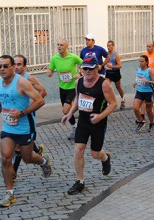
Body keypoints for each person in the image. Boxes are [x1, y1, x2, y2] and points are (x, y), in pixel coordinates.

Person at [0, 55, 52, 207]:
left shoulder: (22, 82)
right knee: (6, 159)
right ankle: (9, 194)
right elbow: (5, 97)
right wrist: (0, 107)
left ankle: (43, 161)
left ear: (13, 67)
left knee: (27, 158)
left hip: (25, 127)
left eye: (5, 66)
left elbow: (40, 100)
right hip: (8, 127)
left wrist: (21, 113)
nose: (2, 69)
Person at [61, 55, 117, 195]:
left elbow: (113, 104)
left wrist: (100, 116)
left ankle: (105, 158)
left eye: (90, 68)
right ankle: (80, 181)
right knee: (78, 150)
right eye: (84, 68)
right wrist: (70, 114)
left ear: (97, 68)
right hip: (83, 121)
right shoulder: (79, 82)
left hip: (98, 122)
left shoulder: (104, 84)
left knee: (95, 154)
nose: (87, 71)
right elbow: (78, 98)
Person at [12, 54, 47, 180]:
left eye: (19, 64)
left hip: (26, 117)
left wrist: (31, 105)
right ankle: (37, 150)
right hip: (14, 117)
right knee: (20, 142)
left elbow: (43, 91)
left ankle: (13, 173)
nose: (16, 67)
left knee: (18, 146)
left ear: (25, 66)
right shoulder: (11, 79)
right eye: (14, 64)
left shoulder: (29, 78)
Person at [47, 38, 83, 140]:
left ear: (67, 46)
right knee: (66, 112)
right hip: (62, 88)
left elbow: (84, 64)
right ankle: (75, 128)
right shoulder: (54, 58)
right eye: (58, 44)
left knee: (66, 109)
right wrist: (49, 72)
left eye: (61, 45)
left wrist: (79, 73)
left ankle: (79, 122)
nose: (59, 47)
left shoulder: (73, 57)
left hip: (72, 88)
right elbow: (51, 69)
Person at [133, 55, 154, 132]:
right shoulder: (139, 69)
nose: (140, 63)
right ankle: (141, 121)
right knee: (135, 108)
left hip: (148, 92)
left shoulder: (149, 71)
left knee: (149, 110)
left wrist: (148, 81)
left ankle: (151, 123)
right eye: (139, 61)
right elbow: (139, 78)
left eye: (142, 61)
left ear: (146, 62)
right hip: (139, 91)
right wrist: (135, 83)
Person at [103, 40, 125, 110]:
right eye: (107, 46)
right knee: (106, 87)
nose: (108, 47)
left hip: (115, 73)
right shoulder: (106, 54)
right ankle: (108, 102)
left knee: (118, 87)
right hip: (108, 73)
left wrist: (112, 67)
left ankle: (123, 100)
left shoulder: (116, 55)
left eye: (110, 46)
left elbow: (120, 66)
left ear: (113, 46)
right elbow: (105, 63)